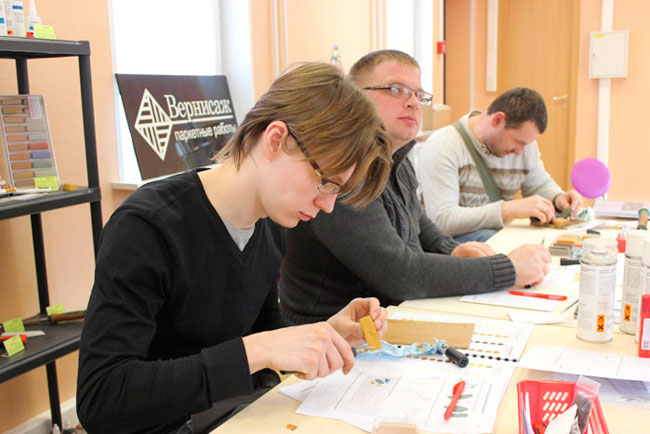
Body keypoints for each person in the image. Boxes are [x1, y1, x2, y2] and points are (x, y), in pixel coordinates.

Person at [76, 62, 392, 434]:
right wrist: (256, 351)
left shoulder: (270, 223)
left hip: (230, 419)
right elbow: (101, 397)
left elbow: (264, 331)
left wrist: (325, 333)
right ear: (276, 140)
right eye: (325, 182)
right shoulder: (148, 226)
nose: (327, 205)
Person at [279, 50, 550, 325]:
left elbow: (417, 219)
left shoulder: (398, 158)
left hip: (387, 317)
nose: (413, 102)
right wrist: (508, 269)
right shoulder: (344, 169)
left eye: (419, 95)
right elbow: (400, 274)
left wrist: (449, 248)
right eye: (396, 90)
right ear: (355, 95)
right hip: (333, 330)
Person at [417, 87, 583, 242]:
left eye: (526, 144)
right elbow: (442, 220)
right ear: (497, 120)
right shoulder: (443, 146)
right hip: (450, 245)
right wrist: (506, 209)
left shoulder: (524, 145)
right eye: (518, 142)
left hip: (495, 237)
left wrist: (558, 198)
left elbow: (539, 185)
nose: (520, 152)